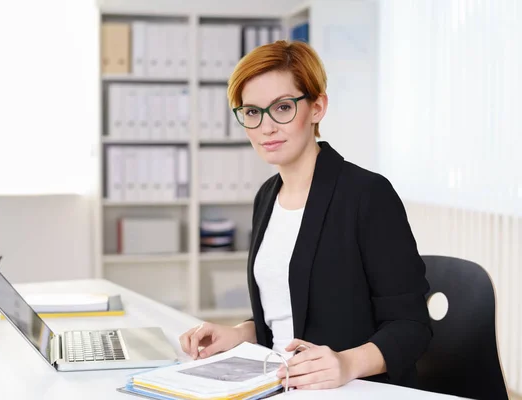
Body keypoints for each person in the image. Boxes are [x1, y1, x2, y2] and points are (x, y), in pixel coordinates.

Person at [179, 40, 432, 390]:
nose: (266, 127)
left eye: (282, 107)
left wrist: (346, 363)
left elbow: (412, 326)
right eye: (252, 112)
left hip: (354, 388)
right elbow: (291, 311)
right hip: (278, 381)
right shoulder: (266, 196)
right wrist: (239, 333)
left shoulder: (366, 195)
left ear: (317, 107)